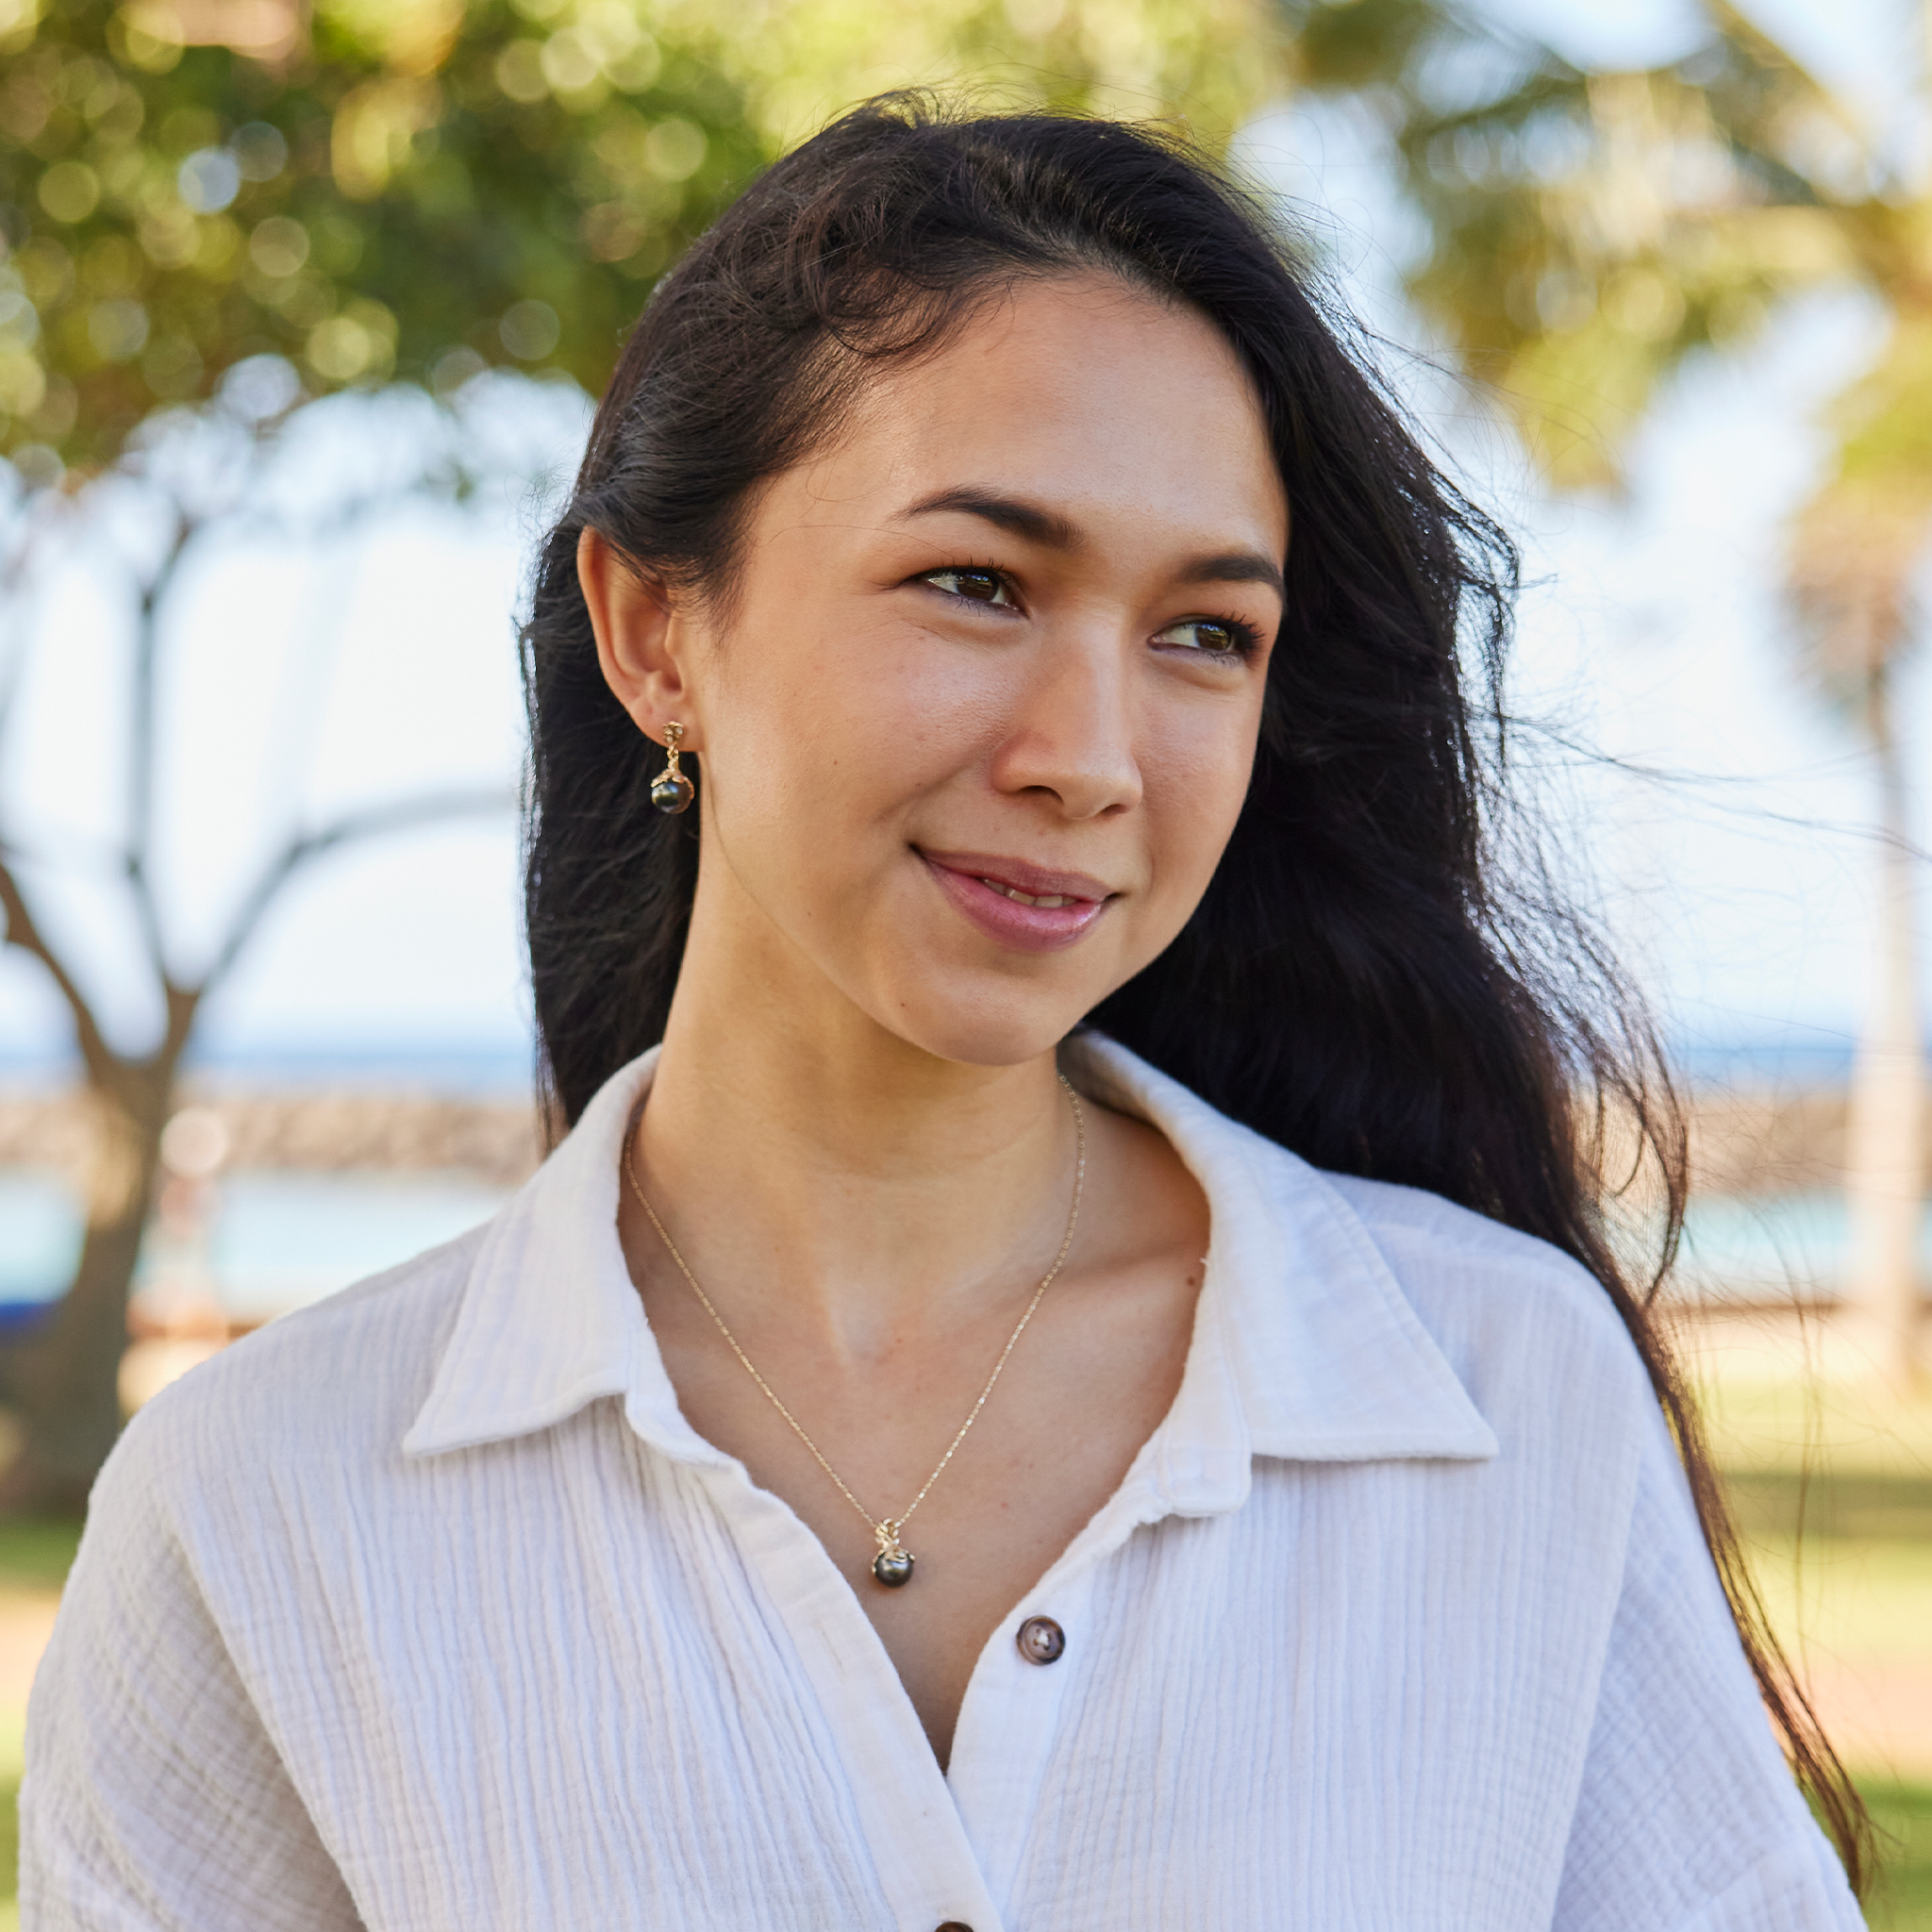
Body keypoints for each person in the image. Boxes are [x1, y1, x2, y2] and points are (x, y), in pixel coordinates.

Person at [25, 98, 1866, 1929]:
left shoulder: (1503, 1397)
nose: (1086, 759)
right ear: (659, 630)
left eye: (1202, 632)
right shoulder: (261, 1506)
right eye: (975, 584)